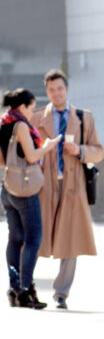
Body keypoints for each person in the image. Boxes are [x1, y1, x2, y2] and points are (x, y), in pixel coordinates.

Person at [29, 69, 104, 311]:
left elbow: (98, 151)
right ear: (47, 91)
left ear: (66, 89)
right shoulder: (37, 117)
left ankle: (61, 293)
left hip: (73, 186)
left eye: (59, 88)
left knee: (70, 238)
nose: (56, 93)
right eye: (51, 89)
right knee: (35, 236)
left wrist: (80, 150)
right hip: (44, 186)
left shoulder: (84, 118)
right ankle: (25, 285)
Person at [3, 89, 60, 309]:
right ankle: (25, 290)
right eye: (31, 107)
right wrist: (47, 146)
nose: (32, 112)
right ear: (23, 106)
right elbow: (31, 155)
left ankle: (14, 289)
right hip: (25, 190)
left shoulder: (4, 122)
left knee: (15, 239)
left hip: (8, 187)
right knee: (33, 239)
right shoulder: (21, 126)